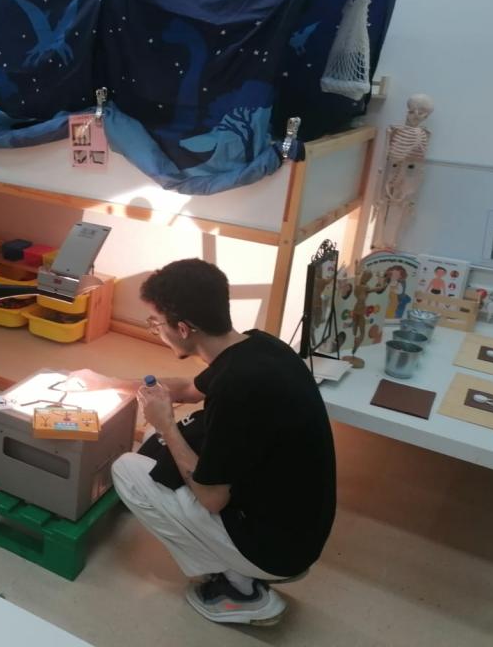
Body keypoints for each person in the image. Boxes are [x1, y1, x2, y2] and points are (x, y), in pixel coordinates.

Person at [72, 258, 336, 626]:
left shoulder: (237, 388)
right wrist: (107, 383)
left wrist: (166, 425)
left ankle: (239, 588)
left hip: (276, 549)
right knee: (157, 440)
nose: (155, 330)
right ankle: (235, 566)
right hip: (298, 521)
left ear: (182, 328)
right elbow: (186, 389)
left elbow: (213, 499)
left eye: (155, 323)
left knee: (128, 470)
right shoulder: (258, 346)